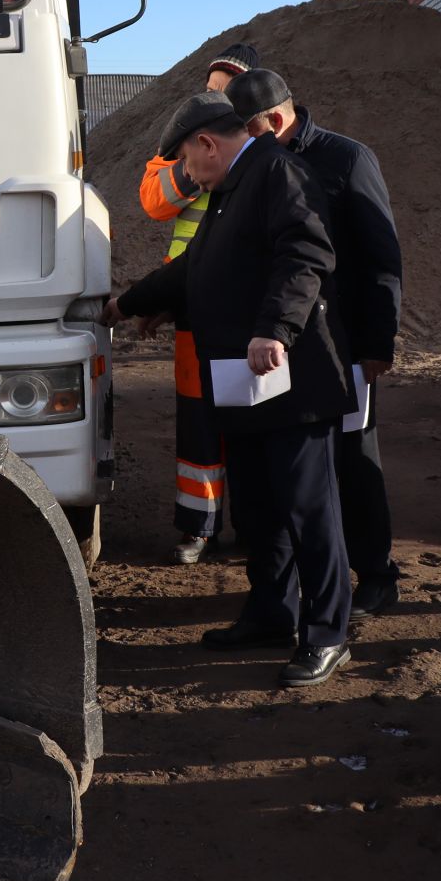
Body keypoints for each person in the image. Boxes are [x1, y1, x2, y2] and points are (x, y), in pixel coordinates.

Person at [110, 92, 356, 687]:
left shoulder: (277, 172)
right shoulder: (230, 189)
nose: (187, 178)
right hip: (243, 381)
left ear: (207, 144)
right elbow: (195, 267)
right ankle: (272, 613)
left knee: (307, 508)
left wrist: (275, 329)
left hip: (287, 375)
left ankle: (327, 632)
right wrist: (127, 305)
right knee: (257, 508)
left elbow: (305, 254)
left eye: (187, 165)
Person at [226, 68, 404, 618]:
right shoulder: (256, 166)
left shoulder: (346, 159)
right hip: (286, 342)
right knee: (293, 470)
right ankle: (297, 586)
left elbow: (382, 257)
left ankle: (375, 574)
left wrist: (378, 342)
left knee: (352, 461)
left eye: (250, 132)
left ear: (276, 120)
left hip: (343, 345)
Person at [136, 42, 261, 564]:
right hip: (193, 304)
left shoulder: (267, 145)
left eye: (228, 86)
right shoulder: (187, 143)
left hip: (252, 307)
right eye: (213, 85)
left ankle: (255, 528)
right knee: (199, 420)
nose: (216, 93)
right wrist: (200, 159)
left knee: (254, 419)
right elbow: (154, 202)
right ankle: (199, 527)